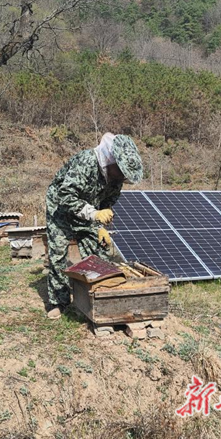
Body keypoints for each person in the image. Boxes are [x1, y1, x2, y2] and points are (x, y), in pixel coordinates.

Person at [44, 133, 143, 319]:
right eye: (121, 172)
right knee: (58, 253)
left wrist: (100, 225)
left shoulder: (115, 178)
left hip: (88, 210)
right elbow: (65, 196)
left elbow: (107, 201)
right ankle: (58, 302)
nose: (123, 178)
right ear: (112, 162)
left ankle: (100, 296)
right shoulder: (86, 163)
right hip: (61, 208)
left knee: (98, 250)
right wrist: (94, 214)